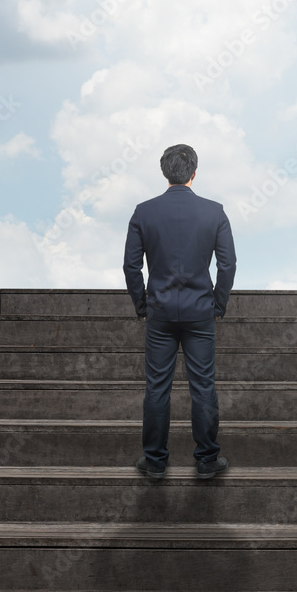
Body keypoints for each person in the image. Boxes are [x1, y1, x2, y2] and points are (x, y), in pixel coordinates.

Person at [123, 144, 236, 480]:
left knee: (157, 388)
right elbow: (227, 264)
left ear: (164, 172)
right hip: (200, 313)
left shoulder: (144, 212)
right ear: (194, 171)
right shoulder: (214, 212)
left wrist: (142, 304)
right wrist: (218, 303)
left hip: (159, 314)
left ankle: (155, 462)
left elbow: (131, 266)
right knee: (203, 387)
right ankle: (206, 461)